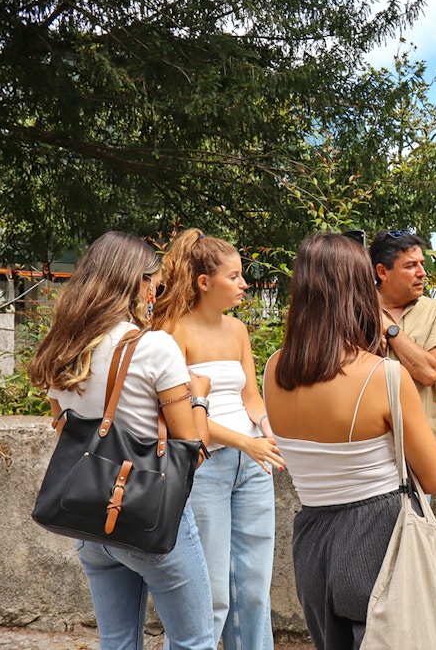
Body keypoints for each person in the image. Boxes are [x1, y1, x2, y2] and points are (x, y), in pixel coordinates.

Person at [28, 231, 214, 650]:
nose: (156, 289)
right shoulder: (154, 347)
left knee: (117, 640)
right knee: (194, 640)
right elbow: (192, 452)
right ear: (137, 282)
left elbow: (66, 430)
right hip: (147, 513)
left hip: (90, 519)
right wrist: (199, 395)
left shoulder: (64, 346)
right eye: (154, 280)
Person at [263, 233, 436, 650]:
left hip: (311, 540)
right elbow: (432, 480)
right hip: (377, 535)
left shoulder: (274, 369)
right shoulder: (383, 376)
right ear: (359, 288)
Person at [153, 229, 282, 650]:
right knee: (210, 591)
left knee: (253, 587)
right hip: (207, 466)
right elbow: (183, 416)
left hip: (254, 465)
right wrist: (246, 443)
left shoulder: (238, 330)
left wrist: (266, 430)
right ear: (204, 282)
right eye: (235, 276)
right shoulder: (173, 331)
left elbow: (251, 397)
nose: (244, 284)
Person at [367, 229, 436, 428]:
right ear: (383, 272)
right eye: (411, 266)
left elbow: (429, 371)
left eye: (422, 264)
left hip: (417, 443)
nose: (422, 273)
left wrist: (388, 327)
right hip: (366, 443)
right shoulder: (352, 310)